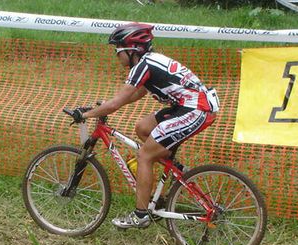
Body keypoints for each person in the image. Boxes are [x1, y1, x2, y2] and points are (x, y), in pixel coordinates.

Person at [72, 22, 219, 229]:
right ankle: (175, 169)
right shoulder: (149, 61)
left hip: (195, 109)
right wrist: (105, 106)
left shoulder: (143, 65)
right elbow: (137, 93)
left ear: (132, 50)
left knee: (144, 156)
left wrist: (85, 114)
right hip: (188, 105)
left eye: (118, 49)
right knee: (142, 128)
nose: (116, 55)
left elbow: (116, 104)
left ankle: (140, 215)